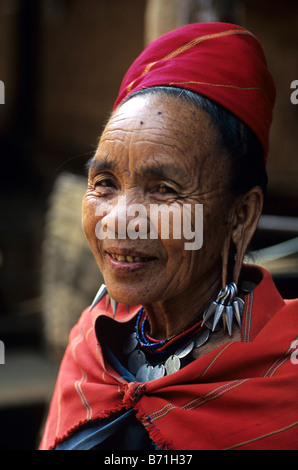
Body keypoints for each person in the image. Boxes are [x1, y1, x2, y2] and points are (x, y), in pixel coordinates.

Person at [39, 22, 298, 450]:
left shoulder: (284, 371)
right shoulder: (89, 344)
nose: (119, 220)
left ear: (240, 216)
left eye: (163, 190)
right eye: (104, 181)